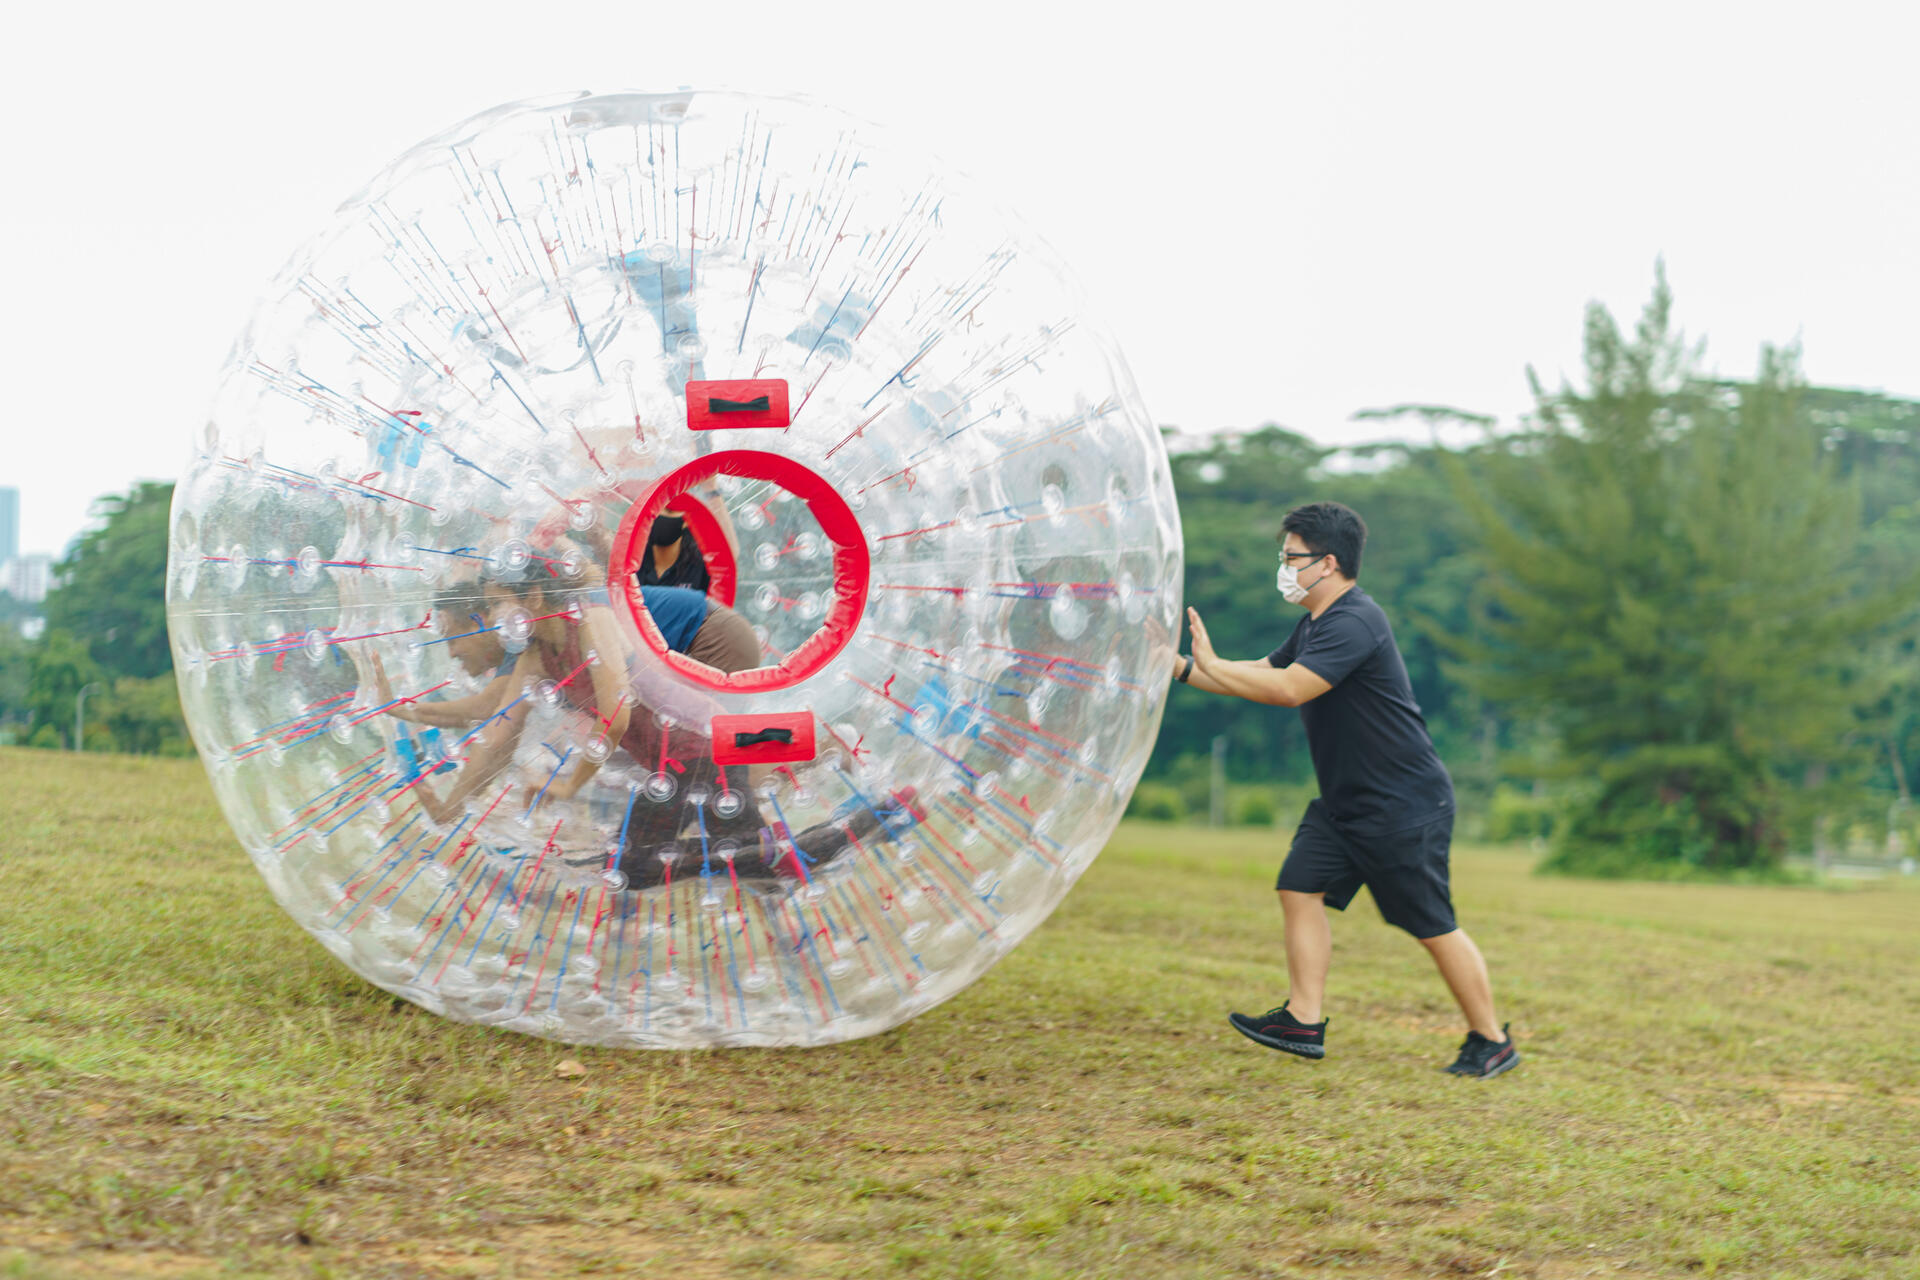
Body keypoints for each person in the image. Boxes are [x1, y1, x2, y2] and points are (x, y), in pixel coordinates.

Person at [1175, 501, 1520, 1079]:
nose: (1283, 567)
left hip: (1403, 805)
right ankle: (1303, 1021)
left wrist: (1204, 662)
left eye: (1291, 558)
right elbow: (1260, 671)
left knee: (1430, 924)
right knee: (1298, 886)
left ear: (1327, 563)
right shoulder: (1316, 623)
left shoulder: (1355, 620)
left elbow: (1288, 690)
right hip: (1347, 802)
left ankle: (1492, 1041)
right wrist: (1180, 666)